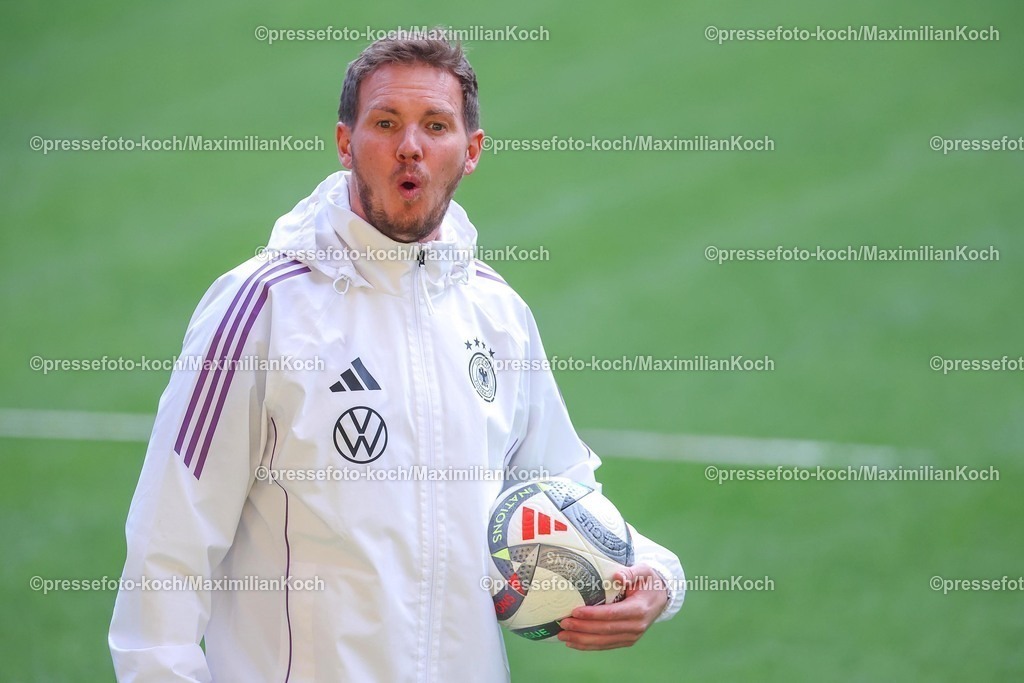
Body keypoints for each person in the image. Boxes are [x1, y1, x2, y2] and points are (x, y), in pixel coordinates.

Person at [109, 33, 685, 682]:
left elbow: (566, 491)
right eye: (386, 123)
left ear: (470, 151)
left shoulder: (498, 317)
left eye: (435, 125)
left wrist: (656, 579)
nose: (410, 145)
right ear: (346, 142)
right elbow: (167, 551)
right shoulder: (260, 311)